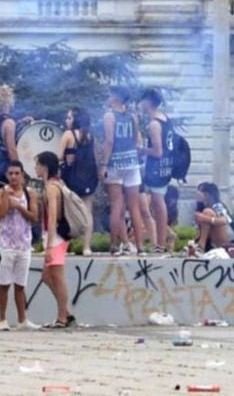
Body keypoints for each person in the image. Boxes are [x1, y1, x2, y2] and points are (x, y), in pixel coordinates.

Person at [99, 86, 146, 256]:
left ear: (116, 97)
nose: (109, 97)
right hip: (132, 162)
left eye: (111, 95)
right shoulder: (132, 116)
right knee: (134, 207)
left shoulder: (109, 116)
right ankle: (140, 247)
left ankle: (114, 245)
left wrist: (103, 164)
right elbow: (137, 140)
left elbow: (109, 141)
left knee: (116, 205)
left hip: (115, 163)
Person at [0, 161, 39, 331]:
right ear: (7, 175)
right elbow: (2, 212)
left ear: (22, 175)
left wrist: (19, 206)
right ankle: (3, 319)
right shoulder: (1, 192)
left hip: (24, 244)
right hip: (6, 243)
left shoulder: (30, 194)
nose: (14, 177)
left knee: (21, 284)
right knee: (4, 283)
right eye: (10, 173)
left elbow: (34, 216)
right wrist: (7, 197)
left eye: (17, 173)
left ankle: (22, 319)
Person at [36, 152, 76, 329]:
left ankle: (63, 317)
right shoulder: (56, 184)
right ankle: (65, 312)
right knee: (47, 276)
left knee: (57, 277)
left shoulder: (52, 188)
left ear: (44, 166)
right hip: (54, 236)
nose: (35, 168)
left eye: (37, 164)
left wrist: (49, 246)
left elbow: (52, 216)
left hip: (56, 237)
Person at [139, 89, 174, 253]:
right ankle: (162, 240)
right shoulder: (166, 119)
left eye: (142, 100)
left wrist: (141, 150)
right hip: (167, 165)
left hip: (156, 167)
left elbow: (157, 151)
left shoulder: (154, 124)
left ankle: (160, 243)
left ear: (148, 102)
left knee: (158, 204)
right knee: (158, 203)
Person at [60, 107, 96, 256]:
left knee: (67, 211)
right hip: (88, 176)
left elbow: (59, 156)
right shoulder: (90, 135)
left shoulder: (68, 135)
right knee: (87, 212)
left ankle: (65, 245)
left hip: (71, 177)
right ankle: (87, 247)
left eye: (69, 118)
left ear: (75, 119)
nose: (66, 120)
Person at [192, 182, 234, 252]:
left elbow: (224, 221)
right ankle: (200, 246)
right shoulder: (200, 208)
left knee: (207, 212)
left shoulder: (217, 205)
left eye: (200, 190)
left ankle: (201, 246)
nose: (197, 193)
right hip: (213, 242)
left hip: (229, 239)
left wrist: (205, 218)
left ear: (207, 194)